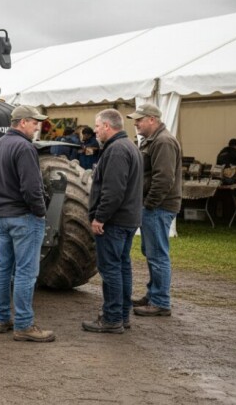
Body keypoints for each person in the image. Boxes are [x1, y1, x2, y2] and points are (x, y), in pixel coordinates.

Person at [0, 105, 54, 343]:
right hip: (24, 216)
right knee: (26, 271)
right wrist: (40, 212)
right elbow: (32, 187)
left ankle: (2, 318)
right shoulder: (24, 147)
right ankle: (24, 324)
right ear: (23, 122)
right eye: (35, 122)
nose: (38, 126)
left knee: (3, 268)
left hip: (2, 215)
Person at [82, 109, 143, 333]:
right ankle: (122, 315)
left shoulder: (116, 150)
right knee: (121, 267)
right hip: (127, 219)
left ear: (107, 126)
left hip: (115, 222)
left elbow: (113, 191)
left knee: (110, 270)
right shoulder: (129, 146)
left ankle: (112, 318)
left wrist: (100, 217)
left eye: (97, 126)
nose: (95, 130)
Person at [128, 103, 182, 317]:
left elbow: (164, 178)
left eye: (139, 119)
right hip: (156, 206)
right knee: (151, 252)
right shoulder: (156, 140)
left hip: (159, 207)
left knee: (157, 254)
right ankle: (154, 295)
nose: (136, 123)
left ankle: (160, 301)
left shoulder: (163, 141)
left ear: (152, 119)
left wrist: (149, 203)